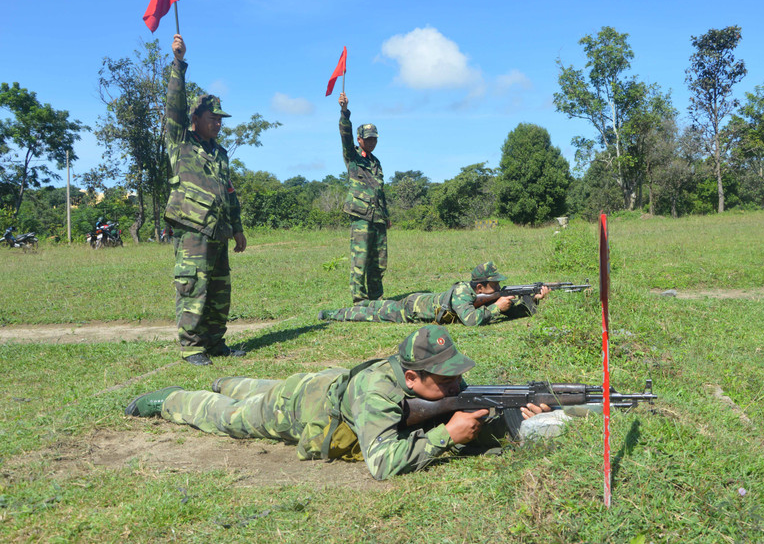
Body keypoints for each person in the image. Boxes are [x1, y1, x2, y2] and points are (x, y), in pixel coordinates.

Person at [125, 326, 551, 480]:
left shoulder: (439, 381)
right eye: (446, 378)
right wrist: (444, 436)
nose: (458, 382)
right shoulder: (380, 395)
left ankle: (226, 379)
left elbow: (468, 411)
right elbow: (381, 464)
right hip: (304, 409)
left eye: (457, 372)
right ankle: (173, 399)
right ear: (411, 378)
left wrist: (514, 418)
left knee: (255, 385)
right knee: (234, 415)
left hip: (327, 383)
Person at [164, 34, 247, 366]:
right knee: (193, 286)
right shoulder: (181, 143)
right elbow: (174, 106)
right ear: (195, 119)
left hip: (219, 231)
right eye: (213, 118)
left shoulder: (220, 154)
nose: (218, 123)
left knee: (218, 289)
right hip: (193, 230)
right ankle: (191, 346)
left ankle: (214, 342)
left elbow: (229, 193)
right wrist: (178, 64)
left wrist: (237, 229)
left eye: (220, 119)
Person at [318, 261, 550, 325]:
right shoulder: (462, 293)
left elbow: (506, 311)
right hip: (410, 309)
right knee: (368, 312)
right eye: (494, 286)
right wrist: (495, 308)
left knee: (371, 306)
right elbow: (470, 321)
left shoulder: (481, 296)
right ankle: (331, 314)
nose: (498, 289)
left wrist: (534, 302)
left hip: (416, 304)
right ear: (480, 288)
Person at [338, 92, 390, 303]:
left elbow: (380, 190)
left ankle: (376, 297)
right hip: (360, 215)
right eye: (368, 139)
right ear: (359, 140)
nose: (372, 142)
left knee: (378, 260)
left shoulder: (376, 162)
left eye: (374, 139)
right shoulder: (352, 157)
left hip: (377, 217)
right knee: (360, 259)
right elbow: (345, 136)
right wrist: (344, 112)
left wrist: (386, 215)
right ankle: (359, 299)